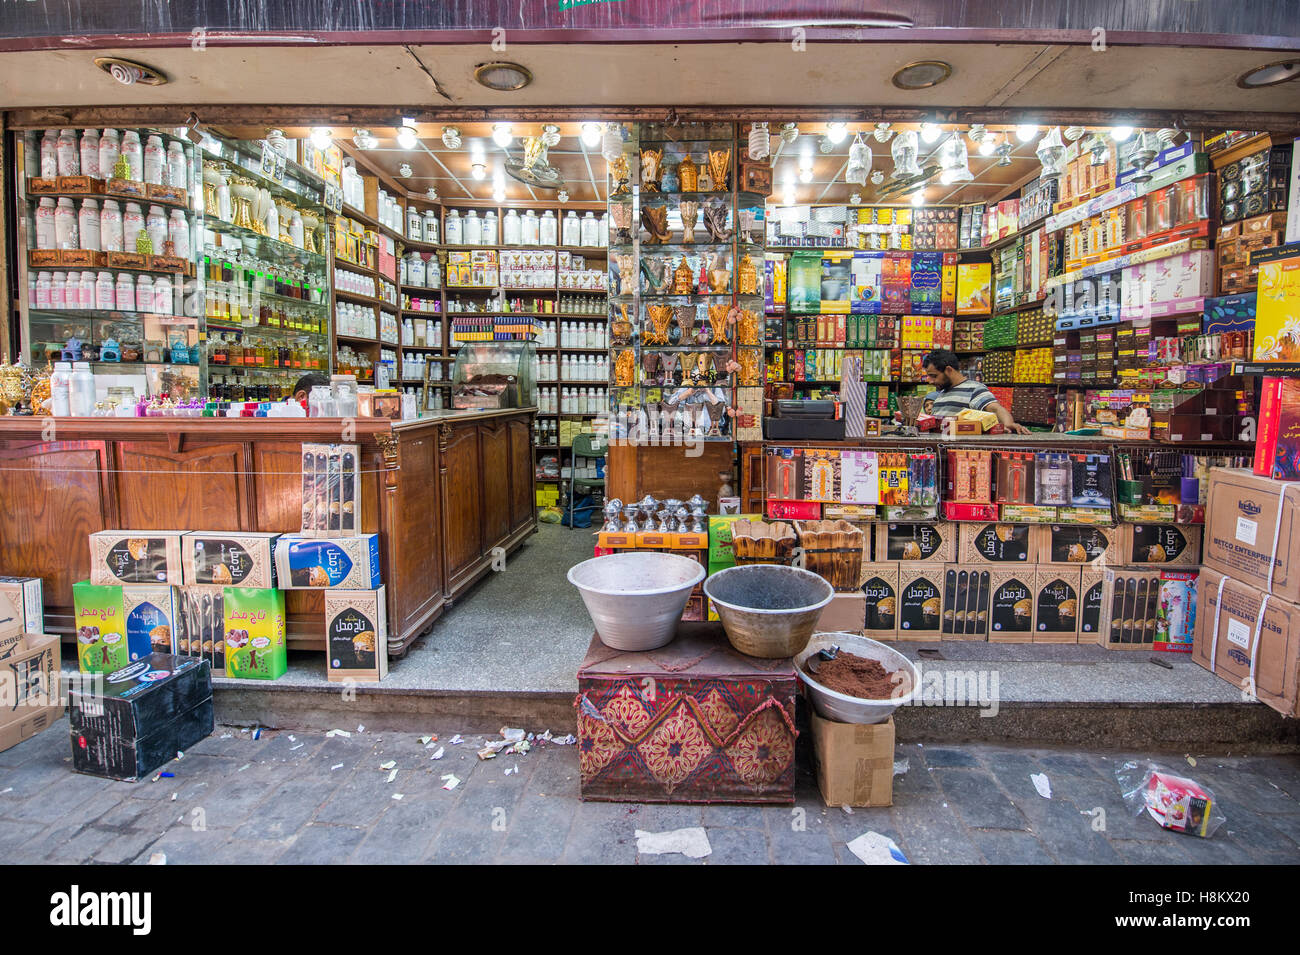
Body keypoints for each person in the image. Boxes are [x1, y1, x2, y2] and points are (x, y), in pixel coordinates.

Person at [920, 349, 1030, 435]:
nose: (931, 381)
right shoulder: (941, 393)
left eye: (934, 376)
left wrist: (1008, 423)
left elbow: (995, 408)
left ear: (949, 370)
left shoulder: (974, 389)